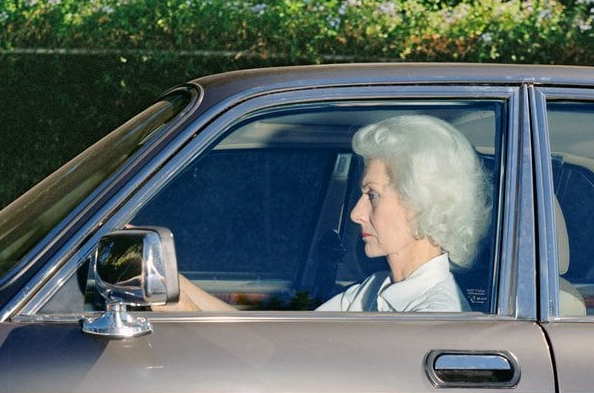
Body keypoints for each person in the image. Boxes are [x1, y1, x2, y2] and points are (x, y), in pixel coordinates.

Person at [166, 114, 492, 313]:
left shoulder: (434, 316)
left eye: (372, 195)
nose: (355, 213)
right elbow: (279, 342)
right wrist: (170, 285)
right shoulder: (374, 289)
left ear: (421, 202)